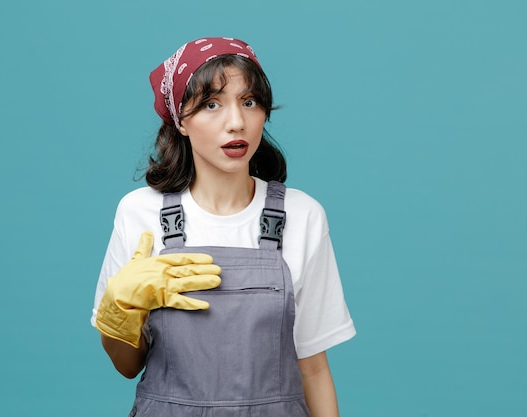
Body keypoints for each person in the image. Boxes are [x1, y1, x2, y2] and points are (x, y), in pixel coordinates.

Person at [91, 37, 356, 417]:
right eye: (211, 104)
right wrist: (119, 309)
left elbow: (313, 369)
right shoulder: (139, 214)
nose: (237, 122)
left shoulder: (303, 216)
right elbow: (127, 366)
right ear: (181, 120)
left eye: (249, 102)